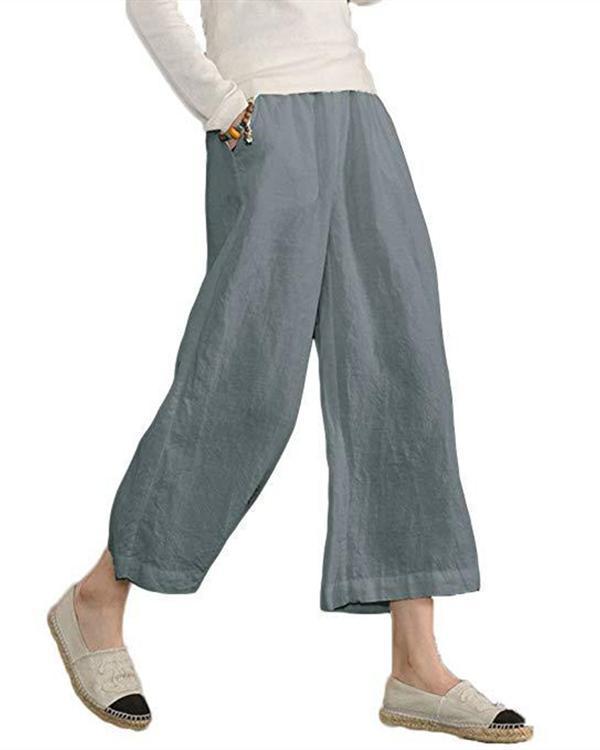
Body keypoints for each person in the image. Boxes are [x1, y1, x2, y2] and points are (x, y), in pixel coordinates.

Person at [48, 0, 532, 742]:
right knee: (244, 378)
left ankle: (416, 661)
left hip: (360, 114)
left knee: (403, 374)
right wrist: (222, 106)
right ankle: (99, 596)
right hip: (264, 114)